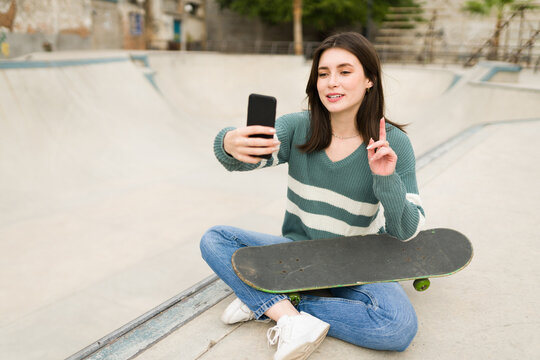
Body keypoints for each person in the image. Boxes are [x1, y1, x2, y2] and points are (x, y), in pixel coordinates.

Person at [200, 32, 424, 360]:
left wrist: (386, 179)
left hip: (359, 260)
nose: (332, 82)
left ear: (369, 80)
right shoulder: (298, 128)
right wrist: (229, 142)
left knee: (395, 327)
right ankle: (288, 318)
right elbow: (245, 157)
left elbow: (406, 230)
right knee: (215, 239)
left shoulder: (394, 143)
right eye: (323, 73)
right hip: (299, 254)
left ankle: (271, 301)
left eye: (345, 72)